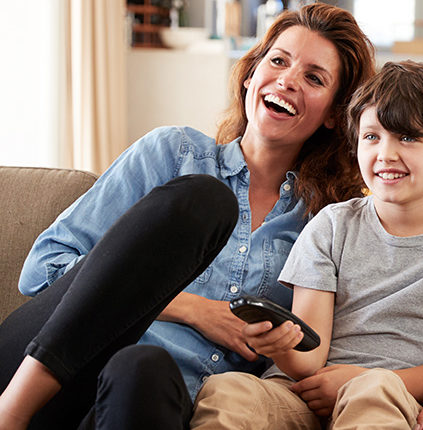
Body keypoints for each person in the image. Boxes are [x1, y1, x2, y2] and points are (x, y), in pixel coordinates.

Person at [0, 4, 374, 429]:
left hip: (150, 404)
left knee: (143, 367)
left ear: (332, 113)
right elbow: (43, 269)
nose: (287, 80)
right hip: (52, 371)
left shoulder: (324, 223)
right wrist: (195, 310)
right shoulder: (174, 154)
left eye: (314, 77)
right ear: (250, 74)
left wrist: (281, 347)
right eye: (278, 60)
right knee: (206, 199)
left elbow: (317, 357)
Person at [189, 60, 423, 429]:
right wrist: (281, 346)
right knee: (228, 390)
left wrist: (357, 380)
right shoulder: (332, 225)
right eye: (371, 136)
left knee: (374, 388)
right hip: (302, 392)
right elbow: (309, 357)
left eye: (408, 137)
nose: (385, 153)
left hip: (392, 395)